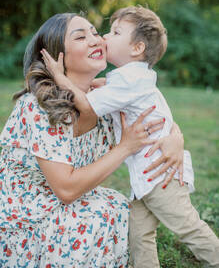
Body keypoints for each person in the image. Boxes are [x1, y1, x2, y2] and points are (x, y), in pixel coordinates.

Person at [0, 13, 184, 268]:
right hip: (26, 215)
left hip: (65, 202)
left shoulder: (105, 102)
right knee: (90, 219)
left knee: (119, 207)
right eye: (80, 36)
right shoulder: (38, 106)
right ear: (56, 54)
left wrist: (176, 137)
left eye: (96, 33)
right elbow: (65, 190)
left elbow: (155, 113)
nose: (95, 40)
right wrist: (126, 147)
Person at [43, 6, 219, 268]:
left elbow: (88, 106)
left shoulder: (130, 80)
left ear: (136, 48)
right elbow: (112, 90)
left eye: (115, 32)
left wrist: (59, 77)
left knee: (187, 227)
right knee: (139, 234)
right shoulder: (131, 79)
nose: (104, 36)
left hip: (162, 177)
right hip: (147, 178)